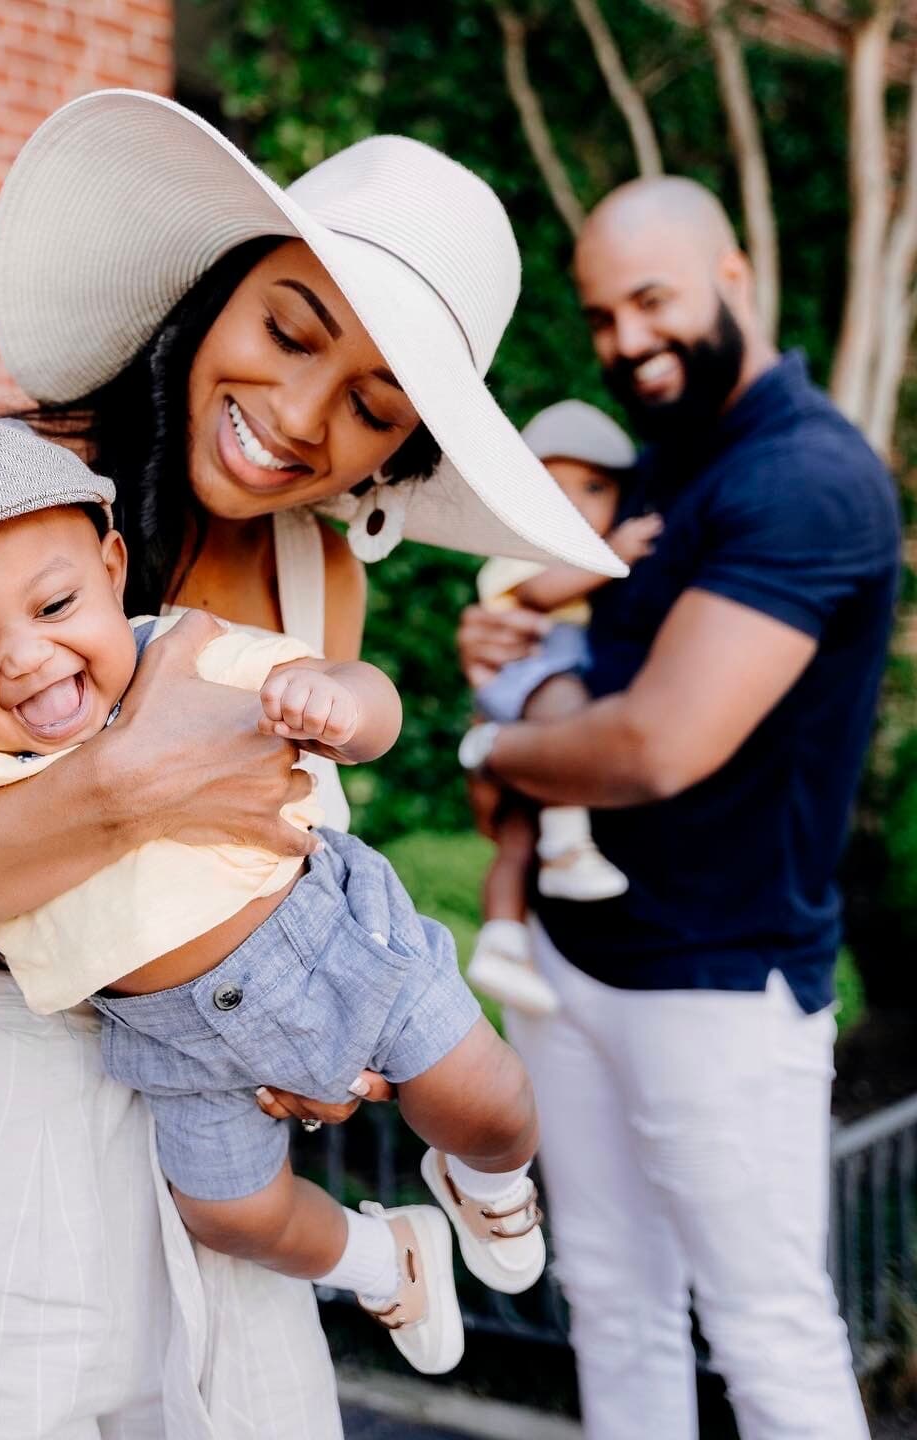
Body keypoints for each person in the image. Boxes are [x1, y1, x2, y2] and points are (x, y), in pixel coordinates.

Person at [0, 89, 622, 1440]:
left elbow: (267, 881)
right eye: (288, 329)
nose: (300, 415)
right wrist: (118, 788)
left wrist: (307, 1029)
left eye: (373, 404)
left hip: (196, 1163)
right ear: (211, 293)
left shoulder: (317, 576)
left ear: (403, 449)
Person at [0, 413, 547, 1377]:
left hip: (331, 944)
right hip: (168, 1040)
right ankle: (383, 1256)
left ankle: (490, 1181)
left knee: (489, 1101)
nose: (26, 659)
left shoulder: (186, 652)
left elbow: (360, 694)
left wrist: (341, 706)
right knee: (228, 1216)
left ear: (113, 567)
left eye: (54, 607)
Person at [455, 176, 900, 1440]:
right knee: (612, 1303)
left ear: (735, 276)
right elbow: (602, 678)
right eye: (602, 316)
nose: (626, 340)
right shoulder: (660, 475)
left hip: (719, 979)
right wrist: (516, 632)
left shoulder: (807, 480)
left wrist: (495, 732)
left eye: (652, 300)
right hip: (574, 957)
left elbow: (654, 747)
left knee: (766, 1330)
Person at [467, 400, 659, 1017]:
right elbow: (542, 594)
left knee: (516, 838)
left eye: (595, 487)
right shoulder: (526, 551)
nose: (574, 502)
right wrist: (617, 553)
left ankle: (501, 941)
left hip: (530, 692)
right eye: (554, 485)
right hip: (530, 682)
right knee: (575, 718)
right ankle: (570, 848)